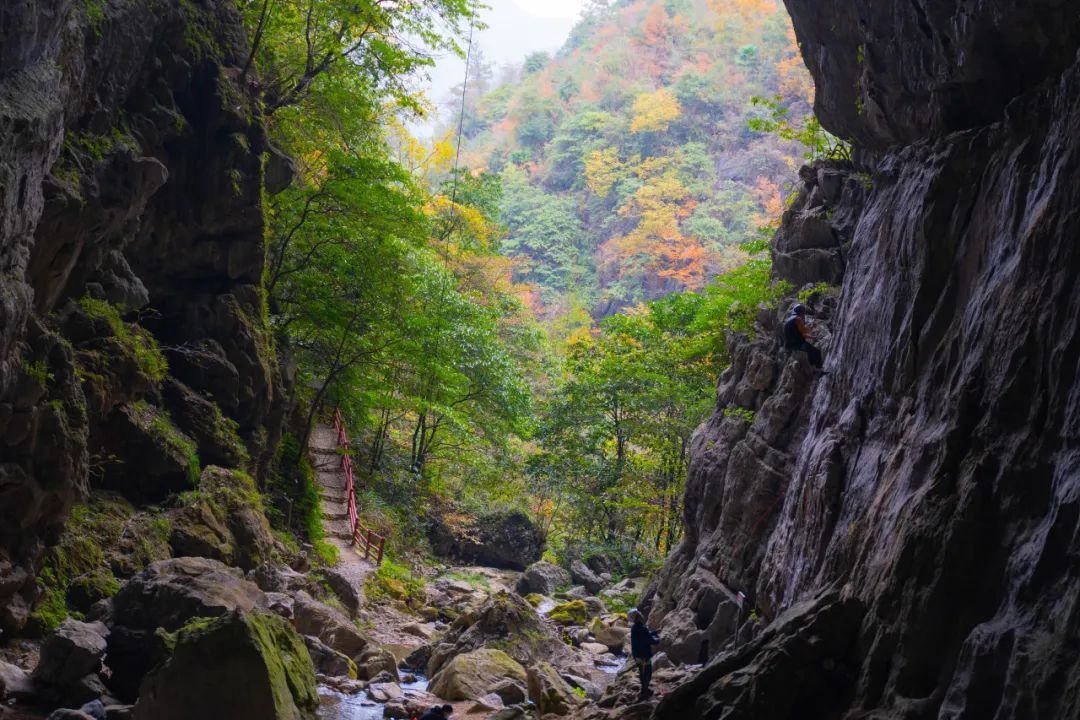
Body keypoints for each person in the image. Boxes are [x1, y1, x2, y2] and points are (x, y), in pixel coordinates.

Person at [629, 608, 660, 700]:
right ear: (637, 617)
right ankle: (644, 692)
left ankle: (645, 690)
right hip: (644, 655)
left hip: (637, 654)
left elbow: (645, 635)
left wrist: (654, 632)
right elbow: (650, 640)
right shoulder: (642, 628)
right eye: (639, 613)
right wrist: (658, 640)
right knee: (647, 673)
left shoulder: (635, 627)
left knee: (643, 672)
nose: (641, 614)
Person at [783, 303, 824, 369]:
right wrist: (812, 326)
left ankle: (813, 369)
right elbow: (804, 331)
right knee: (816, 352)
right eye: (803, 313)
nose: (804, 315)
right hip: (797, 345)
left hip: (790, 345)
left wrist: (813, 338)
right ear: (801, 312)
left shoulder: (789, 320)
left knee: (810, 353)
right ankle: (819, 370)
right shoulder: (797, 319)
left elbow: (800, 333)